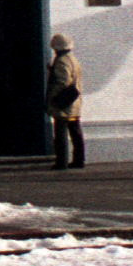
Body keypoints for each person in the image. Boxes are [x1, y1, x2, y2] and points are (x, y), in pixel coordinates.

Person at [44, 34, 86, 168]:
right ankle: (79, 160)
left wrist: (54, 99)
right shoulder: (73, 59)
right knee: (75, 132)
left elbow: (63, 81)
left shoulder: (62, 61)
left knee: (60, 133)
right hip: (74, 102)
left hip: (63, 104)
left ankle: (61, 162)